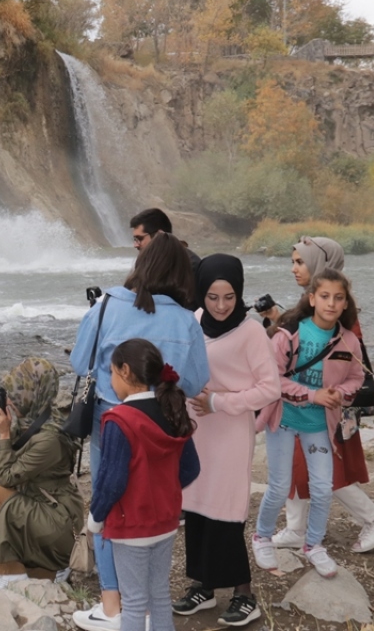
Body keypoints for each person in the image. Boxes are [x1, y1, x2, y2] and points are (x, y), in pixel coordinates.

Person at [70, 233, 210, 631]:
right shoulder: (186, 320)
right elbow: (197, 381)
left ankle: (112, 607)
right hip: (164, 423)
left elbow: (81, 361)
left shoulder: (108, 305)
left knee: (107, 500)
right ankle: (142, 610)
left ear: (141, 267)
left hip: (110, 420)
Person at [259, 237, 374, 554]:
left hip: (324, 404)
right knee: (298, 462)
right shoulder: (316, 300)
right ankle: (296, 529)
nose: (294, 268)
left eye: (299, 261)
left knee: (326, 467)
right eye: (292, 261)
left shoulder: (334, 307)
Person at [172, 255, 280, 628]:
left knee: (227, 511)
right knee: (198, 506)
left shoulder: (250, 333)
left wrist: (219, 402)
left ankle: (244, 594)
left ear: (240, 294)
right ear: (201, 293)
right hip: (197, 430)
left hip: (231, 431)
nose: (220, 306)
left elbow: (270, 388)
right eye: (213, 297)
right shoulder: (195, 320)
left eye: (229, 297)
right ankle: (203, 587)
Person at [252, 268, 366, 579]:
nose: (331, 303)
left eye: (338, 298)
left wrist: (339, 393)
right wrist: (312, 395)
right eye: (325, 296)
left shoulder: (349, 341)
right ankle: (261, 537)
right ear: (312, 298)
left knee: (322, 488)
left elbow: (357, 377)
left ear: (345, 304)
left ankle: (313, 544)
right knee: (278, 486)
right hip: (284, 420)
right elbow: (272, 380)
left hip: (319, 426)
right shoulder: (288, 334)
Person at [87, 339, 200, 631]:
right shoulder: (171, 411)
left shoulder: (119, 420)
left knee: (135, 602)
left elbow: (111, 481)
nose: (110, 379)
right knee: (160, 596)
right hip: (165, 521)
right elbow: (190, 468)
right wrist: (163, 490)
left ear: (124, 371)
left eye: (111, 372)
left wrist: (96, 517)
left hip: (131, 524)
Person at [0, 358, 84, 587]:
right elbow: (1, 459)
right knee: (1, 495)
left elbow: (6, 476)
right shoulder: (35, 420)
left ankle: (8, 574)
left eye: (17, 394)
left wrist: (4, 435)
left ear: (35, 393)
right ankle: (44, 572)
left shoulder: (50, 438)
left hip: (58, 524)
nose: (11, 399)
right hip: (44, 509)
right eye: (10, 393)